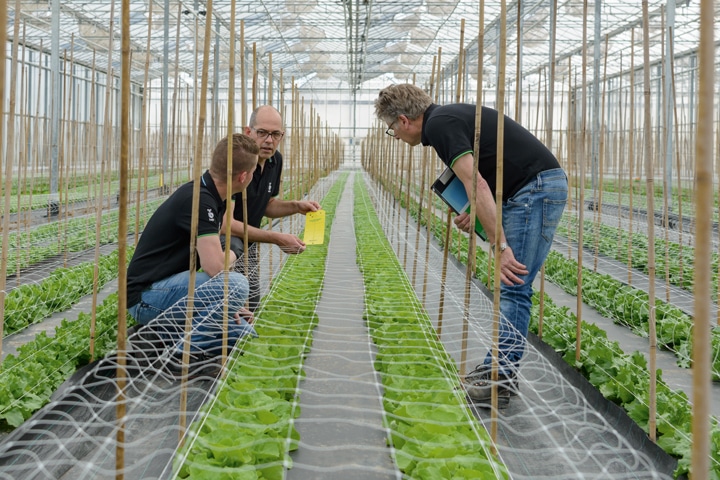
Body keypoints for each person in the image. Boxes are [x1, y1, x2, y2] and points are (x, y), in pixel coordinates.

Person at [374, 83, 568, 407]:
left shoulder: (439, 124)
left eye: (391, 130)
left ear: (404, 120)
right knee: (512, 284)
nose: (396, 135)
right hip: (529, 188)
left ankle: (499, 380)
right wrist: (474, 210)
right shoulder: (445, 118)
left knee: (513, 282)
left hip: (534, 190)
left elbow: (474, 181)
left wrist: (500, 247)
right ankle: (497, 369)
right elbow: (482, 181)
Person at [126, 133, 260, 373]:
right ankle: (181, 353)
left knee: (244, 333)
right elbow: (216, 268)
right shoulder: (200, 200)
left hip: (169, 289)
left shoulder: (211, 194)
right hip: (146, 298)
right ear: (243, 176)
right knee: (237, 286)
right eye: (252, 174)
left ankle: (176, 336)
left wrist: (227, 305)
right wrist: (233, 251)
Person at [222, 105, 321, 311]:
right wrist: (276, 238)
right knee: (232, 303)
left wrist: (296, 206)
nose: (269, 140)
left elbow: (266, 205)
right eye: (262, 133)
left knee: (252, 302)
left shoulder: (275, 160)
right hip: (224, 241)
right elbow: (226, 225)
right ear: (248, 132)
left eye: (276, 134)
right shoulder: (234, 162)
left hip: (251, 238)